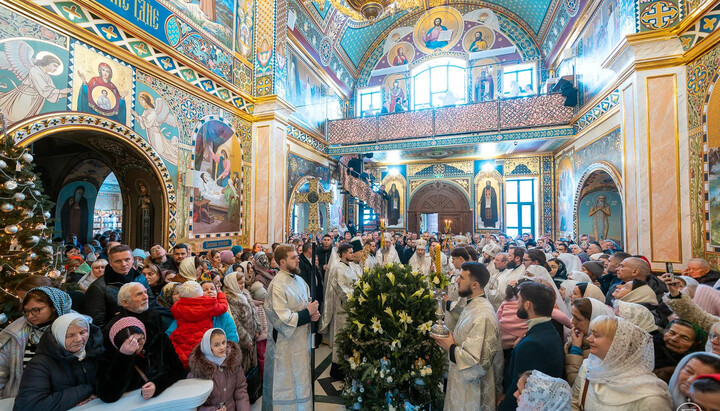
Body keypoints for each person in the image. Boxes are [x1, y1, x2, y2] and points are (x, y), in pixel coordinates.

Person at [432, 262, 502, 410]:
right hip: (460, 382)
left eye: (462, 278)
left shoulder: (483, 315)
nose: (457, 281)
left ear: (475, 284)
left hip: (471, 391)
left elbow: (475, 362)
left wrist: (450, 346)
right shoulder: (473, 304)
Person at [570, 315, 672, 410]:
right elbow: (574, 403)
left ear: (617, 343)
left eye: (596, 335)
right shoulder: (588, 367)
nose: (589, 339)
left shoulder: (650, 398)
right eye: (591, 333)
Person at [263, 245, 319, 409]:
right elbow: (282, 319)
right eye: (293, 257)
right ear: (282, 262)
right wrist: (307, 313)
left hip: (302, 342)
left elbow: (307, 303)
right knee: (287, 384)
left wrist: (313, 314)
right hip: (285, 348)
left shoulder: (299, 280)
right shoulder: (277, 285)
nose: (298, 259)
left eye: (297, 256)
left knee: (301, 381)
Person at [14, 313, 103, 410]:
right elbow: (28, 406)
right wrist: (85, 391)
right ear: (58, 336)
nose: (78, 339)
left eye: (83, 332)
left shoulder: (96, 350)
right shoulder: (40, 364)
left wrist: (97, 392)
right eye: (70, 335)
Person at [499, 282, 565, 411]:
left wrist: (504, 406)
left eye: (519, 299)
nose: (517, 303)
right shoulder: (547, 330)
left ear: (528, 304)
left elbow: (521, 388)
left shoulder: (532, 344)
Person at [0, 287, 72, 398]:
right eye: (26, 311)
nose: (30, 316)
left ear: (53, 307)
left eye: (36, 310)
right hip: (24, 396)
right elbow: (2, 369)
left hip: (66, 396)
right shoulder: (15, 333)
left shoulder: (76, 327)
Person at [96, 316, 184, 402]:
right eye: (130, 344)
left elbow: (178, 370)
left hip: (167, 397)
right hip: (133, 402)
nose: (137, 347)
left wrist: (157, 384)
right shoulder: (109, 356)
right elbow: (108, 395)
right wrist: (124, 356)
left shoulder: (159, 339)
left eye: (139, 340)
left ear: (144, 334)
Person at [83, 244, 153, 328]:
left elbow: (151, 302)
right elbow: (97, 324)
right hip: (117, 332)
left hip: (144, 326)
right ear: (110, 262)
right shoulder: (98, 287)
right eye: (118, 261)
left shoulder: (140, 277)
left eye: (127, 259)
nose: (123, 264)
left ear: (132, 260)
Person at [168, 281, 231, 367]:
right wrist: (221, 294)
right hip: (202, 342)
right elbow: (223, 307)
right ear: (201, 293)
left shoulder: (177, 307)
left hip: (183, 339)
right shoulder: (208, 305)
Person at [320, 244, 358, 380]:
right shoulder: (338, 268)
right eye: (350, 252)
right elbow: (342, 289)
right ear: (343, 254)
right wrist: (356, 294)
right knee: (341, 337)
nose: (352, 254)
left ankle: (349, 366)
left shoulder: (350, 266)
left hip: (351, 309)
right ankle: (338, 370)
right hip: (343, 309)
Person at [188, 328, 251, 411]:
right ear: (207, 347)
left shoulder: (233, 363)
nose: (222, 347)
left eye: (223, 342)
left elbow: (241, 391)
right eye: (216, 345)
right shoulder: (197, 371)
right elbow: (193, 404)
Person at [565, 298, 615, 385]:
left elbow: (576, 384)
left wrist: (575, 350)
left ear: (593, 319)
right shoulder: (579, 337)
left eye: (578, 319)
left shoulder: (599, 348)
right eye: (572, 316)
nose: (572, 321)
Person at [223, 271, 261, 373]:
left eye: (243, 283)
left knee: (252, 366)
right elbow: (236, 323)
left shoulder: (245, 293)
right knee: (243, 368)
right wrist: (246, 339)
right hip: (242, 339)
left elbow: (253, 312)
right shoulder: (229, 298)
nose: (242, 285)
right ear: (232, 283)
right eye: (239, 283)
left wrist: (257, 328)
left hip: (252, 335)